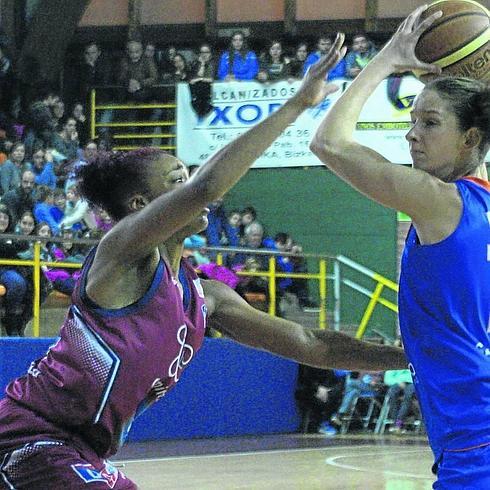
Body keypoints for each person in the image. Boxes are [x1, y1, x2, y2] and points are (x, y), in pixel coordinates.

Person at [0, 35, 406, 488]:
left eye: (188, 175)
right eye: (177, 180)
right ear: (141, 205)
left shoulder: (204, 297)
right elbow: (207, 188)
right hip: (29, 436)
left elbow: (313, 344)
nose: (191, 184)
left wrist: (409, 358)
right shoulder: (120, 254)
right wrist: (296, 105)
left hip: (80, 450)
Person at [310, 6, 490, 488]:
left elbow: (329, 143)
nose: (412, 134)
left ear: (470, 137)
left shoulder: (441, 201)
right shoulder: (479, 201)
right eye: (412, 120)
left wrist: (388, 59)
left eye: (430, 123)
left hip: (475, 437)